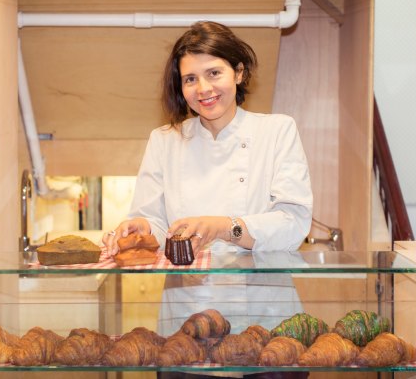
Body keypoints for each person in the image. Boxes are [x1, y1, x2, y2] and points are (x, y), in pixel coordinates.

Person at [103, 21, 312, 379]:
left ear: (239, 72)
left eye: (214, 72)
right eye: (190, 79)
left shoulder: (276, 131)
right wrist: (138, 227)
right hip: (186, 327)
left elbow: (294, 223)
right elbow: (153, 221)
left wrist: (223, 226)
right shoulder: (165, 140)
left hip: (267, 325)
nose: (203, 89)